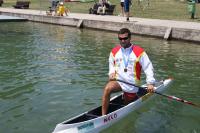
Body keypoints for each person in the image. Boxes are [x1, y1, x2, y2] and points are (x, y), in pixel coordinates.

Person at [102, 28, 155, 115]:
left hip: (131, 84)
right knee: (107, 88)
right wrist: (111, 73)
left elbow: (148, 67)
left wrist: (150, 83)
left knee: (127, 107)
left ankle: (128, 101)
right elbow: (111, 64)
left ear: (130, 38)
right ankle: (103, 117)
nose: (122, 41)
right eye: (120, 39)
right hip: (119, 81)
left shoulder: (139, 52)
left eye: (125, 38)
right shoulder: (114, 51)